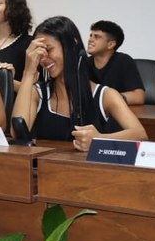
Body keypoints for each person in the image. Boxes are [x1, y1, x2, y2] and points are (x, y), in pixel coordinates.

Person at [13, 16, 147, 151]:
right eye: (39, 52)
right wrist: (28, 72)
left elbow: (140, 135)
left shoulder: (105, 95)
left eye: (49, 49)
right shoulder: (38, 93)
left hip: (88, 171)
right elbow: (17, 132)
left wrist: (98, 140)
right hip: (45, 170)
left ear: (71, 46)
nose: (44, 58)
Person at [86, 20, 145, 105]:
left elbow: (139, 97)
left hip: (117, 114)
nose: (90, 40)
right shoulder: (84, 63)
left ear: (110, 44)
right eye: (91, 36)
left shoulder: (124, 61)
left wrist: (109, 99)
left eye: (97, 37)